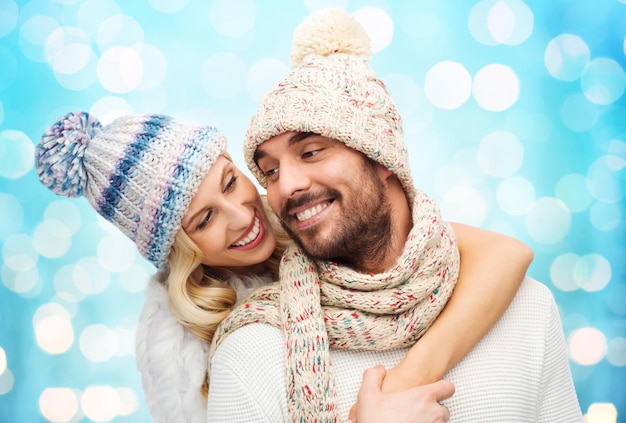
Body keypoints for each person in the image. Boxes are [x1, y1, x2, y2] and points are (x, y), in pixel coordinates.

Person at [205, 8, 583, 422]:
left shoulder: (525, 308)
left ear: (381, 157)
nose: (285, 186)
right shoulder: (252, 350)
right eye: (270, 171)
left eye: (311, 152)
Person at [35, 111, 531, 423]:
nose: (242, 217)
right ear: (177, 250)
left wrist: (409, 378)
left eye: (230, 183)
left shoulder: (307, 213)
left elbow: (505, 254)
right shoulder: (188, 350)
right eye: (204, 219)